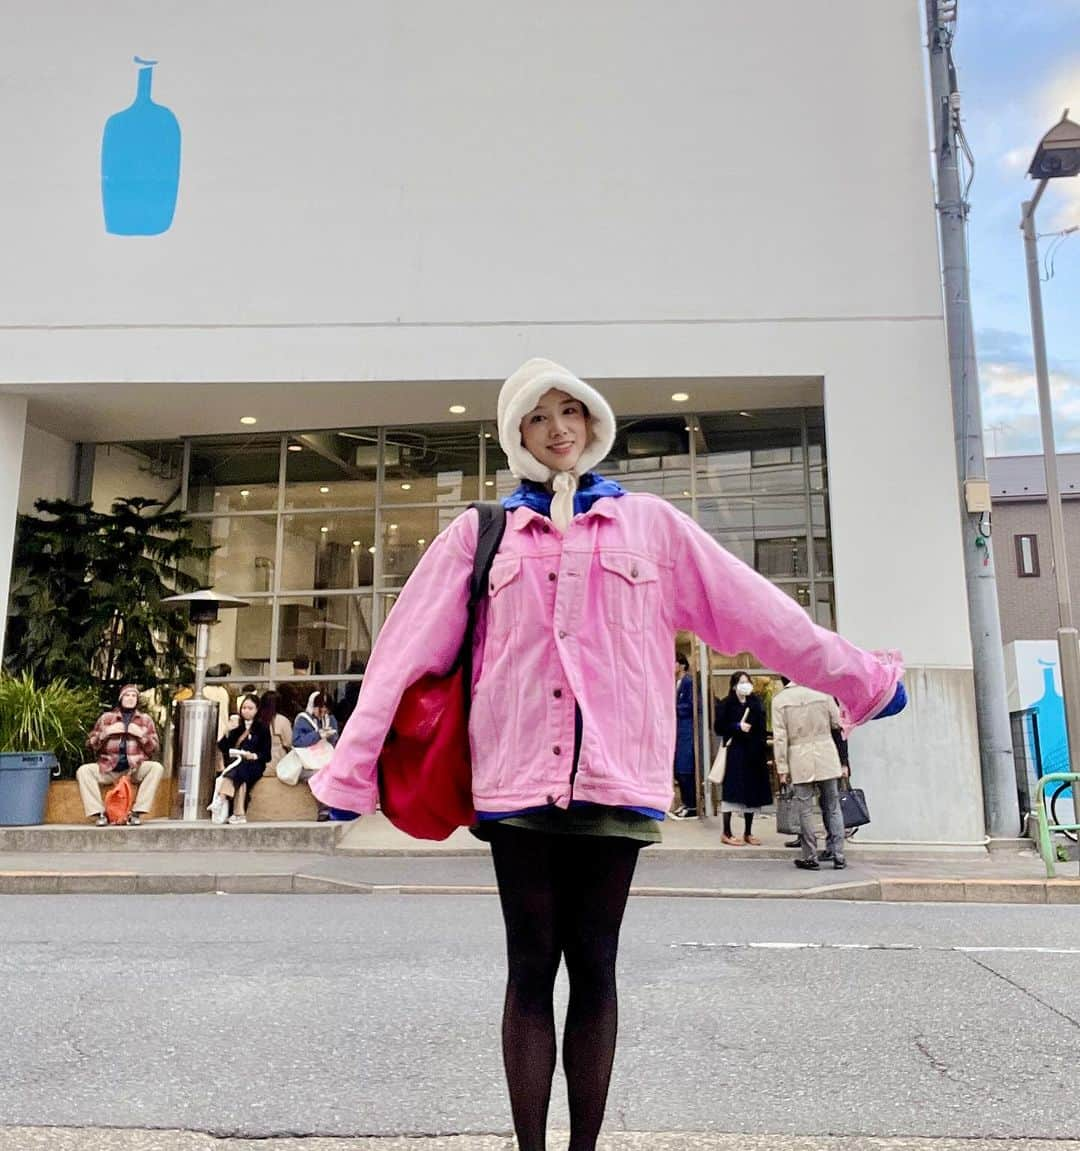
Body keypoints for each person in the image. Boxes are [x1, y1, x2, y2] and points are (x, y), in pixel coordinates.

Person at [311, 357, 906, 1151]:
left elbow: (756, 610)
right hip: (515, 779)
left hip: (614, 781)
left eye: (571, 411)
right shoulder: (481, 534)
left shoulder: (650, 527)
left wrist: (859, 677)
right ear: (516, 435)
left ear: (592, 421)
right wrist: (349, 770)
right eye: (537, 416)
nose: (559, 427)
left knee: (595, 965)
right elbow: (401, 651)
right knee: (529, 969)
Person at [772, 677, 849, 870]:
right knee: (832, 806)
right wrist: (843, 760)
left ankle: (810, 855)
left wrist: (782, 768)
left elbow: (780, 737)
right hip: (826, 753)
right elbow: (838, 723)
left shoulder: (781, 700)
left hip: (799, 756)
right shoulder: (823, 692)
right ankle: (838, 854)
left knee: (805, 809)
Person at [77, 685, 164, 827]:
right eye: (127, 695)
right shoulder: (107, 718)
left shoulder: (145, 720)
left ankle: (136, 813)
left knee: (156, 768)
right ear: (121, 698)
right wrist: (105, 733)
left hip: (133, 769)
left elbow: (154, 748)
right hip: (109, 768)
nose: (130, 699)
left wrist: (141, 736)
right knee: (84, 771)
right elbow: (90, 745)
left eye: (133, 696)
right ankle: (99, 814)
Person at [714, 671, 770, 846]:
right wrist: (737, 726)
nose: (746, 685)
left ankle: (748, 831)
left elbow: (762, 728)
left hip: (753, 754)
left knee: (751, 794)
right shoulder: (726, 704)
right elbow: (719, 727)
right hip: (735, 753)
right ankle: (727, 832)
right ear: (734, 685)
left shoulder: (756, 704)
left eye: (748, 681)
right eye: (742, 682)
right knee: (732, 793)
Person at [214, 693, 271, 825]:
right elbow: (223, 747)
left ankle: (221, 798)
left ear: (257, 710)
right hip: (238, 763)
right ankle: (239, 814)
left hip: (255, 764)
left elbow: (266, 755)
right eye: (244, 708)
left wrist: (254, 756)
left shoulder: (262, 728)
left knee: (242, 770)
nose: (246, 711)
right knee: (242, 778)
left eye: (250, 708)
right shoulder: (237, 727)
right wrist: (227, 731)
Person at [671, 653, 697, 818]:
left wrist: (674, 709)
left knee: (685, 768)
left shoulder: (688, 682)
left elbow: (690, 706)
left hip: (686, 730)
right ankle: (686, 802)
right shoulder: (676, 683)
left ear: (681, 665)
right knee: (678, 770)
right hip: (678, 730)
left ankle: (692, 805)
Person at [258, 690, 293, 769]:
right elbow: (289, 743)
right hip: (277, 763)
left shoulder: (256, 719)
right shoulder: (282, 720)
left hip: (257, 763)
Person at [276, 655, 318, 721]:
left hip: (287, 719)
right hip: (306, 719)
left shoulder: (283, 685)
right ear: (307, 667)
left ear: (293, 665)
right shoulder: (313, 685)